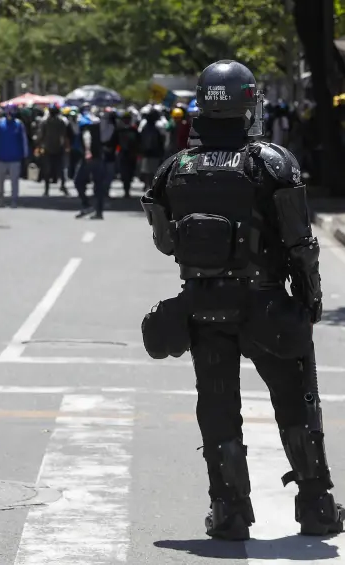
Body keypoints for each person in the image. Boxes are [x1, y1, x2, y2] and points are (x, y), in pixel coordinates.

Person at [140, 59, 344, 540]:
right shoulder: (271, 162)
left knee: (216, 408)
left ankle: (229, 511)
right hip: (266, 305)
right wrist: (310, 298)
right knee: (297, 405)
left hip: (204, 307)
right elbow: (301, 244)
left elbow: (166, 241)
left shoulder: (175, 167)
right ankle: (315, 505)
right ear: (248, 105)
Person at [0, 103, 29, 208]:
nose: (10, 113)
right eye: (8, 111)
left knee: (14, 181)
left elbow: (23, 140)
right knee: (0, 180)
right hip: (1, 157)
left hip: (15, 158)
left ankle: (14, 200)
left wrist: (25, 154)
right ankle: (0, 199)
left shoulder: (19, 124)